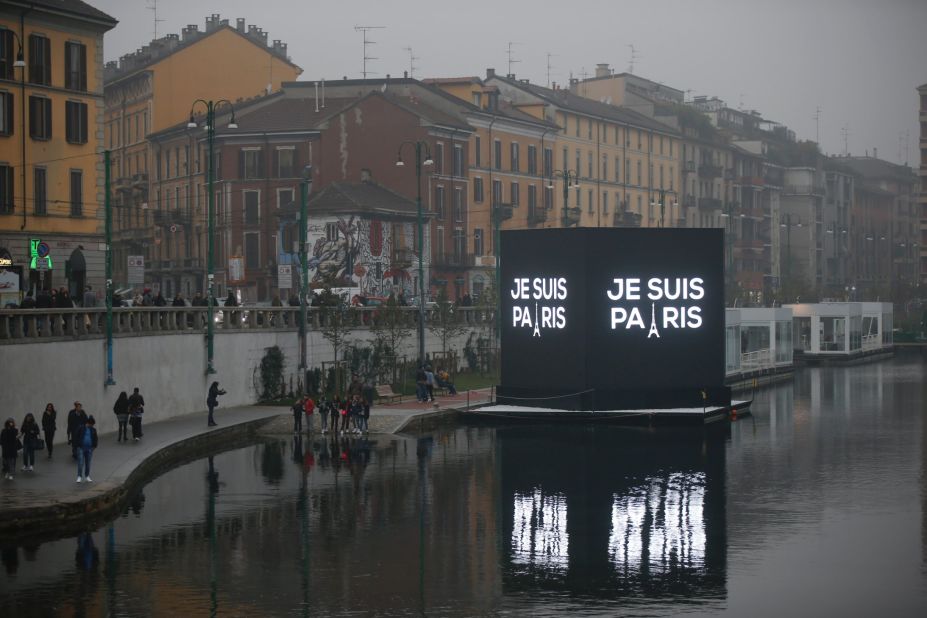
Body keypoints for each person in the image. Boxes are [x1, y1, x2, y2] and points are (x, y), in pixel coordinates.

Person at [74, 415, 98, 483]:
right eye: (91, 424)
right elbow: (76, 436)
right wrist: (77, 446)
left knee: (88, 463)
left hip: (89, 449)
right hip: (81, 448)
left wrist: (94, 447)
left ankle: (87, 476)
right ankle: (79, 476)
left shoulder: (93, 430)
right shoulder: (81, 428)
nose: (92, 426)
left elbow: (95, 439)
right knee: (80, 463)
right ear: (88, 423)